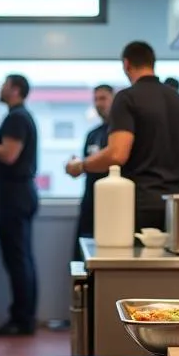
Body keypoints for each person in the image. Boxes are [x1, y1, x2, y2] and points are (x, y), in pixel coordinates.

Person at [68, 42, 179, 230]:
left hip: (137, 205)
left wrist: (81, 165)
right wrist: (167, 167)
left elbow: (117, 154)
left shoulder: (127, 98)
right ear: (152, 63)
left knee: (135, 258)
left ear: (126, 64)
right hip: (174, 206)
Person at [0, 73, 39, 336]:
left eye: (4, 85)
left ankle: (21, 320)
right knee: (21, 259)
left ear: (15, 89)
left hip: (14, 196)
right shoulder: (20, 116)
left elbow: (9, 155)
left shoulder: (16, 117)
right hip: (18, 193)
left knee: (18, 260)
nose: (0, 89)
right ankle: (23, 317)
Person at [65, 83, 115, 253]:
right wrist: (77, 165)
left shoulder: (119, 136)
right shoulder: (93, 134)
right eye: (95, 99)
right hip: (90, 203)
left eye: (103, 98)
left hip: (112, 207)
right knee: (83, 256)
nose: (99, 103)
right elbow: (84, 165)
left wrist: (83, 164)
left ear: (114, 100)